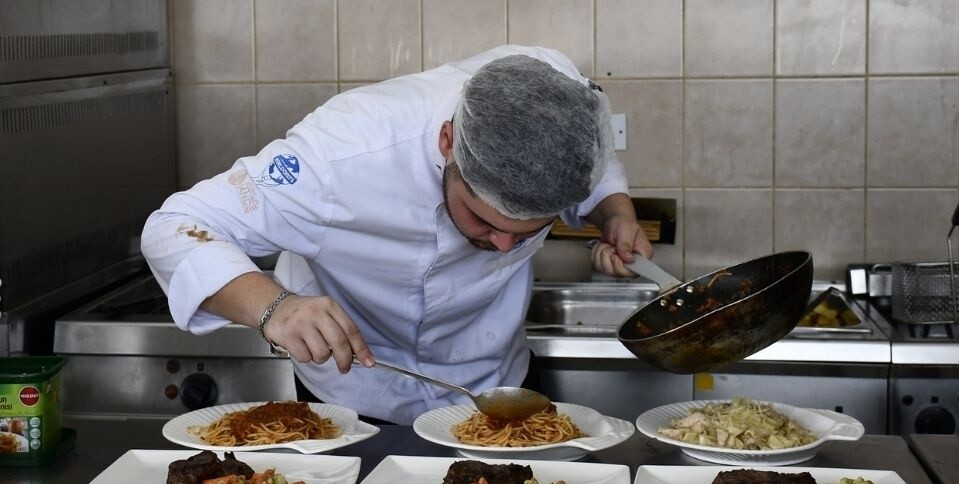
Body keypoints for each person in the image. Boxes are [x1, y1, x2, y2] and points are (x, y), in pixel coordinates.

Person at [141, 45, 653, 424]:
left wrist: (614, 212)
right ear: (447, 141)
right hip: (352, 396)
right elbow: (176, 227)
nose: (503, 247)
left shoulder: (558, 97)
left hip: (497, 387)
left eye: (527, 234)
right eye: (486, 222)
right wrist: (275, 306)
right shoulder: (341, 153)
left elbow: (595, 163)